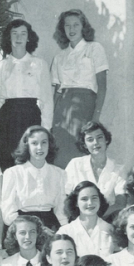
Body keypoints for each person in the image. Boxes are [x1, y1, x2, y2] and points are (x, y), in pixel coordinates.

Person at [50, 9, 108, 168]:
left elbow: (102, 86)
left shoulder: (94, 48)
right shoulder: (59, 57)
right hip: (62, 111)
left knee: (82, 152)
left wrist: (96, 116)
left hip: (85, 106)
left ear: (83, 27)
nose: (71, 29)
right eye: (67, 25)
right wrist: (51, 121)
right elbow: (56, 93)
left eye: (76, 24)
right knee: (61, 154)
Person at [0, 19, 53, 171]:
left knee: (29, 161)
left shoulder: (39, 64)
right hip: (6, 118)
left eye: (23, 33)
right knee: (7, 162)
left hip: (30, 116)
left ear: (28, 37)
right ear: (8, 37)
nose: (18, 38)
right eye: (14, 34)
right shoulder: (0, 66)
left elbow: (47, 99)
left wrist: (45, 129)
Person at [1, 125, 68, 232]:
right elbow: (7, 212)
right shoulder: (13, 173)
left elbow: (61, 209)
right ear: (27, 145)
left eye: (44, 142)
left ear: (49, 145)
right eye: (34, 143)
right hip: (21, 227)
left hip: (50, 226)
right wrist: (35, 228)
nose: (40, 147)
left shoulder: (59, 174)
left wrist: (65, 230)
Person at [63, 122, 126, 208]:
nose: (95, 142)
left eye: (99, 137)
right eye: (90, 139)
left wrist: (98, 217)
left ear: (106, 140)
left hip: (107, 218)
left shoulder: (118, 169)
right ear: (85, 145)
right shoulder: (75, 164)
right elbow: (64, 196)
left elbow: (120, 202)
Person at [57, 180, 115, 259]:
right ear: (76, 203)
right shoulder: (65, 232)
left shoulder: (111, 230)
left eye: (94, 198)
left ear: (100, 201)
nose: (90, 203)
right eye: (84, 199)